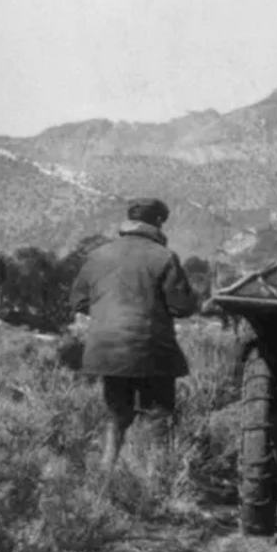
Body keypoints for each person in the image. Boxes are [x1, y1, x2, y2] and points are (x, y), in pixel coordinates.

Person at [69, 198, 200, 467]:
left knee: (116, 413)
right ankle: (155, 478)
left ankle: (106, 472)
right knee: (158, 414)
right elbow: (182, 306)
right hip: (150, 348)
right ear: (159, 222)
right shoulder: (164, 257)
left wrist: (108, 313)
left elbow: (79, 301)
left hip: (106, 349)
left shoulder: (97, 255)